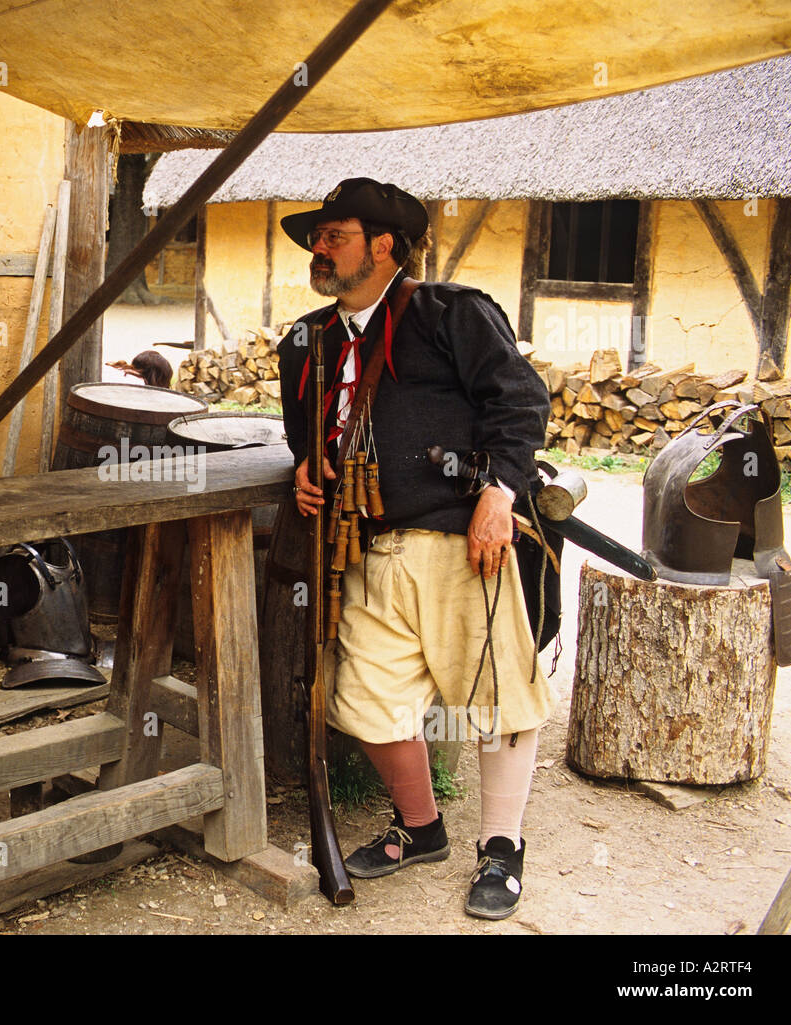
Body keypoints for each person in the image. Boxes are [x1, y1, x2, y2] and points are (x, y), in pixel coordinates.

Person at [276, 178, 552, 920]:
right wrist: (305, 462)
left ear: (384, 245)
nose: (318, 247)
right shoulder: (305, 340)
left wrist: (499, 495)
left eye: (334, 234)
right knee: (367, 704)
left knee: (497, 698)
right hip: (361, 549)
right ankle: (422, 827)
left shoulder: (453, 314)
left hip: (461, 541)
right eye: (317, 236)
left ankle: (501, 848)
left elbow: (520, 401)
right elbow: (304, 429)